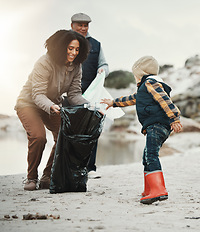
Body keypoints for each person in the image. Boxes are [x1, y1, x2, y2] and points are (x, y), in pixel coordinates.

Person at [101, 56, 182, 204]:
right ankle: (150, 189)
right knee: (146, 157)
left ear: (142, 73)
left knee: (151, 155)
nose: (135, 78)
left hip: (156, 125)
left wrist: (175, 117)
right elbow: (132, 98)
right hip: (156, 126)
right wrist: (113, 103)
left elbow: (165, 100)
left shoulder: (151, 83)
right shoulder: (146, 88)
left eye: (135, 75)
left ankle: (159, 190)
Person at [14, 30, 89, 191]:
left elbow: (74, 94)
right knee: (39, 137)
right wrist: (51, 106)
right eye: (70, 48)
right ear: (61, 47)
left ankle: (47, 175)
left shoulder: (77, 66)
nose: (73, 53)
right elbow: (38, 94)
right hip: (28, 104)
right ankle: (31, 177)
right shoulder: (44, 62)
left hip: (54, 105)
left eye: (76, 49)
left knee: (65, 135)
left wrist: (89, 105)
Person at [71, 12, 110, 179]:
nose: (83, 28)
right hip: (69, 94)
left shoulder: (96, 44)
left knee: (91, 131)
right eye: (80, 24)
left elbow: (104, 64)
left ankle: (89, 168)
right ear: (72, 25)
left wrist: (103, 71)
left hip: (91, 94)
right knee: (70, 131)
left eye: (85, 25)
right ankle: (70, 167)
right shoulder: (64, 42)